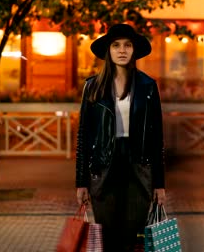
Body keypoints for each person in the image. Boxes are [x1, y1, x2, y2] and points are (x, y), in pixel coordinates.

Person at [75, 23, 166, 252]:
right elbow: (84, 137)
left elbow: (157, 138)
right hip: (103, 169)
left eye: (127, 45)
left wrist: (159, 184)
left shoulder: (148, 86)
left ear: (134, 50)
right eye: (116, 45)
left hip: (138, 168)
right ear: (109, 50)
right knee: (107, 238)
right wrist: (81, 182)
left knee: (132, 238)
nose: (122, 50)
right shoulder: (93, 87)